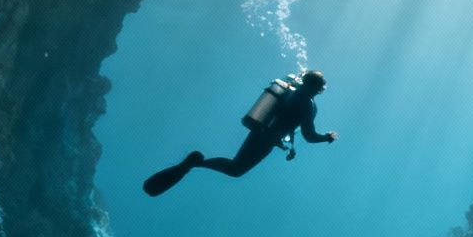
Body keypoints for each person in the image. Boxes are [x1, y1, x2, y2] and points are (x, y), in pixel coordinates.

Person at [143, 69, 337, 196]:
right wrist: (326, 137)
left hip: (258, 131)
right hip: (267, 140)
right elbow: (309, 136)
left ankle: (195, 163)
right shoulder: (308, 105)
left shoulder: (290, 92)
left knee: (236, 166)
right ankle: (196, 162)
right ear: (318, 89)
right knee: (236, 169)